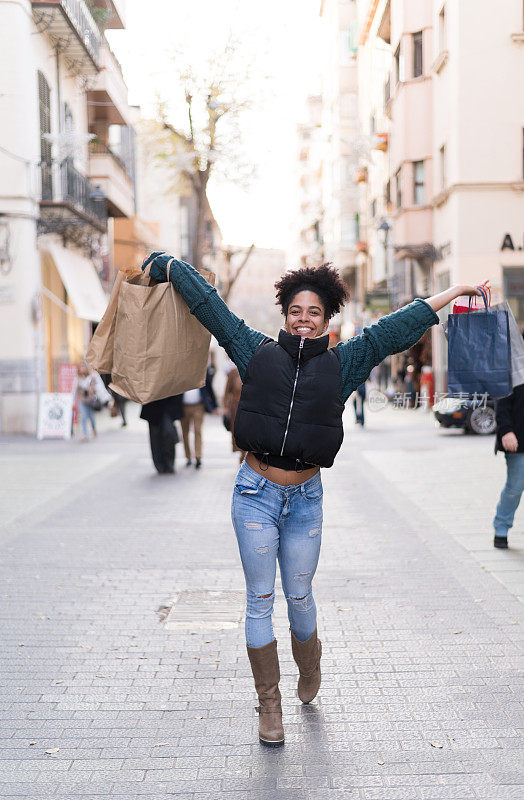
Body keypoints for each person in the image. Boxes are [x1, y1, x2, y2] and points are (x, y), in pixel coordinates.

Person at [141, 251, 485, 748]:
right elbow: (210, 307)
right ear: (285, 314)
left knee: (299, 597)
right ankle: (269, 706)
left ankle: (310, 660)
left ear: (327, 318)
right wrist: (169, 266)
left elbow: (394, 329)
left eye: (315, 313)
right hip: (254, 494)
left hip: (305, 499)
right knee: (260, 600)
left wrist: (451, 295)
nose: (304, 321)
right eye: (297, 312)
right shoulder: (255, 352)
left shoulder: (343, 364)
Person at [493, 383, 524, 549]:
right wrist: (505, 430)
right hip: (518, 438)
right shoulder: (510, 364)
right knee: (515, 487)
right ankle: (501, 526)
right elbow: (501, 400)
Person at [140, 395, 184, 474]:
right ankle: (159, 465)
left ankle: (169, 464)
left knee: (169, 434)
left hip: (168, 404)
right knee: (155, 436)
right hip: (152, 405)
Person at [181, 371, 217, 469]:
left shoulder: (202, 368)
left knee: (198, 430)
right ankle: (188, 456)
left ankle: (198, 456)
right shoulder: (180, 370)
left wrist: (215, 405)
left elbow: (209, 388)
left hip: (198, 406)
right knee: (185, 432)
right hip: (184, 406)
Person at [223, 365, 246, 463]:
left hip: (250, 407)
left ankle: (245, 456)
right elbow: (227, 392)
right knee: (238, 432)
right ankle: (242, 455)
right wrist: (225, 408)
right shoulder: (233, 372)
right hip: (236, 408)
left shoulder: (254, 369)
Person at [76, 364, 97, 441]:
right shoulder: (77, 379)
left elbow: (95, 388)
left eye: (83, 368)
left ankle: (94, 428)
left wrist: (91, 389)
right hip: (81, 400)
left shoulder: (91, 378)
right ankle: (85, 434)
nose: (81, 370)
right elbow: (74, 390)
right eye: (80, 368)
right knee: (83, 417)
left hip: (90, 400)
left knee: (91, 417)